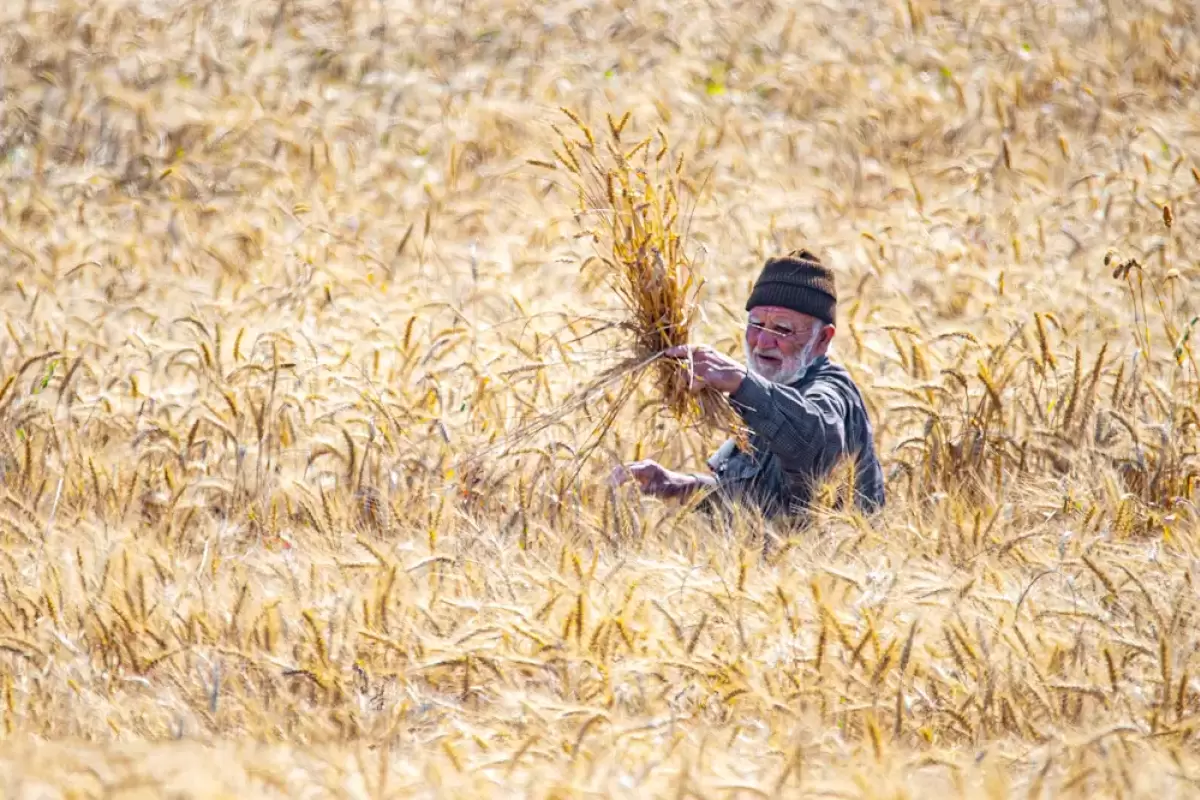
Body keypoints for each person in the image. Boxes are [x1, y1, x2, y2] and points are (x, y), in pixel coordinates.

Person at [612, 249, 885, 521]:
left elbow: (817, 447)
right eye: (756, 324)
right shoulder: (765, 395)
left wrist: (742, 382)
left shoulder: (831, 392)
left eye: (783, 330)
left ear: (823, 339)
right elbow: (762, 501)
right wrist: (676, 486)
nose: (763, 343)